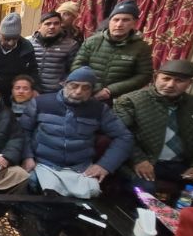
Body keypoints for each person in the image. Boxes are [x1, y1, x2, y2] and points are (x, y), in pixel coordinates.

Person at [20, 67, 133, 198]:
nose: (79, 91)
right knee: (33, 185)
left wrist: (105, 165)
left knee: (92, 194)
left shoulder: (99, 110)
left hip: (81, 168)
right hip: (44, 164)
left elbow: (124, 137)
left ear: (92, 90)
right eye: (74, 86)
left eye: (86, 88)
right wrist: (27, 157)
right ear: (64, 84)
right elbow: (23, 131)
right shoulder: (41, 103)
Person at [114, 60, 193, 193]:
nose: (170, 85)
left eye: (179, 81)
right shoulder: (130, 101)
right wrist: (138, 160)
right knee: (146, 191)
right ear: (155, 77)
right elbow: (121, 134)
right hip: (143, 162)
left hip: (182, 165)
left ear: (190, 83)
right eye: (166, 78)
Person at [72, 0, 153, 104]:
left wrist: (110, 90)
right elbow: (77, 65)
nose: (119, 24)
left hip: (118, 99)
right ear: (109, 21)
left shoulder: (141, 47)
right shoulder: (92, 41)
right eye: (116, 20)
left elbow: (144, 75)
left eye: (126, 20)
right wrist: (94, 87)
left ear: (134, 23)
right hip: (87, 93)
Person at [0, 13, 39, 103]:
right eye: (7, 39)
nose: (11, 43)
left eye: (15, 39)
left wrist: (35, 88)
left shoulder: (26, 47)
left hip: (16, 96)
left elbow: (33, 70)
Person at [29, 11, 79, 94]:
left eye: (56, 23)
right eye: (48, 24)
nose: (52, 27)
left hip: (55, 93)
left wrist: (62, 85)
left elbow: (73, 70)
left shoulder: (71, 45)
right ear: (40, 26)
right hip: (31, 91)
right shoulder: (29, 43)